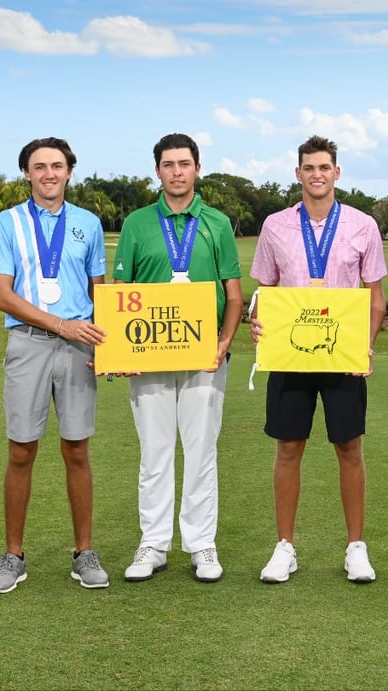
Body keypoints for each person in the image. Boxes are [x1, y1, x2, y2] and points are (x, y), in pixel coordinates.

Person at [249, 135, 387, 584]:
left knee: (349, 448)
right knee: (288, 448)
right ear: (298, 174)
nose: (317, 174)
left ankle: (355, 548)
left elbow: (376, 300)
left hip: (343, 354)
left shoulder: (363, 224)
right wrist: (256, 321)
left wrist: (365, 345)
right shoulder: (274, 225)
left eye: (324, 167)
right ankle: (285, 547)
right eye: (309, 167)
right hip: (290, 353)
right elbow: (265, 294)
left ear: (337, 172)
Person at [0, 137, 109, 594]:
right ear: (27, 174)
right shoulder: (6, 223)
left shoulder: (88, 223)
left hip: (79, 348)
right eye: (40, 167)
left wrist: (106, 346)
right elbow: (2, 295)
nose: (49, 174)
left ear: (70, 171)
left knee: (77, 448)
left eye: (57, 166)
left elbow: (101, 294)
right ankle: (13, 555)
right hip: (29, 342)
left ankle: (84, 553)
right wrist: (61, 324)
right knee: (21, 450)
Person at [113, 133, 243, 584]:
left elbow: (233, 293)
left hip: (204, 358)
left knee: (202, 451)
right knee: (155, 451)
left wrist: (225, 343)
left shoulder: (218, 223)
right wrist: (119, 351)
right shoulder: (136, 223)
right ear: (158, 171)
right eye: (168, 164)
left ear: (197, 168)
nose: (177, 171)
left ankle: (201, 544)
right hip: (148, 356)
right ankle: (153, 543)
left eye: (184, 163)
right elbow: (120, 295)